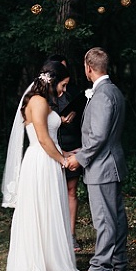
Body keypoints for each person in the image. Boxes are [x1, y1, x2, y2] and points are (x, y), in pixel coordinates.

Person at [0, 60, 80, 271]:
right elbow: (42, 139)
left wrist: (64, 152)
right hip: (41, 164)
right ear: (52, 81)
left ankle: (52, 260)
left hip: (47, 160)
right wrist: (62, 160)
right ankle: (42, 267)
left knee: (49, 213)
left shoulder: (42, 100)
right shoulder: (38, 101)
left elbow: (48, 135)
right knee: (41, 213)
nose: (63, 91)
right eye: (62, 85)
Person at [66, 47, 128, 271]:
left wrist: (79, 159)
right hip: (111, 162)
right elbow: (105, 135)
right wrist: (80, 151)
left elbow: (99, 135)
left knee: (104, 219)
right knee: (116, 217)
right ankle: (119, 261)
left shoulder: (102, 95)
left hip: (101, 167)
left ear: (88, 68)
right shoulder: (114, 91)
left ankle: (101, 268)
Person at [46, 54, 84, 253]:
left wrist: (74, 114)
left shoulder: (72, 92)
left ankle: (70, 236)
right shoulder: (43, 97)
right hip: (53, 147)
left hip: (71, 143)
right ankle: (53, 236)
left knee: (71, 191)